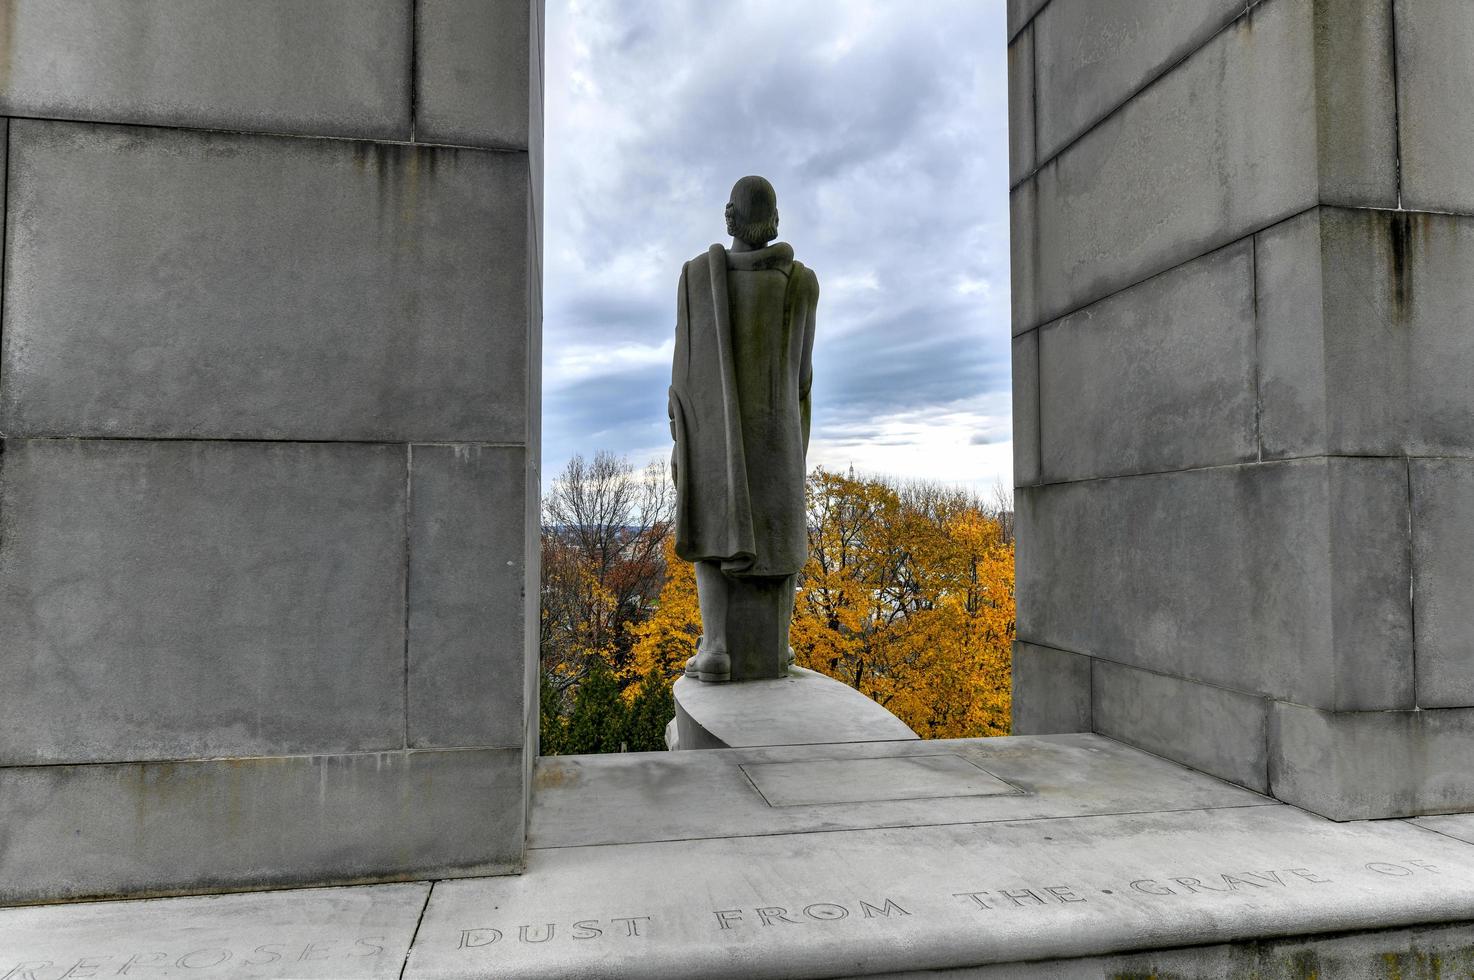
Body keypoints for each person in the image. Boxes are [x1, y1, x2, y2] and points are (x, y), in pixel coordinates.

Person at [667, 176, 819, 682]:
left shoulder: (695, 278)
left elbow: (684, 373)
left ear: (729, 217)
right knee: (780, 539)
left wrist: (683, 437)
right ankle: (778, 647)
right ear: (774, 221)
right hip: (777, 438)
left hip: (715, 438)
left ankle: (716, 647)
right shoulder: (800, 282)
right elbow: (802, 375)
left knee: (711, 532)